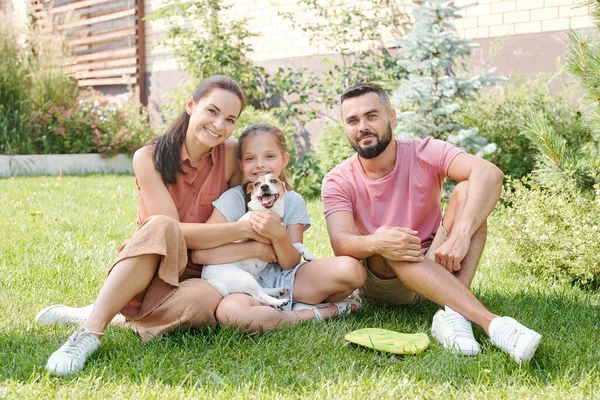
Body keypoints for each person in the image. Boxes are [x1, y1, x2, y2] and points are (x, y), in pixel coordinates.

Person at [36, 75, 263, 375]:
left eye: (230, 119)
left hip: (200, 272)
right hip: (150, 265)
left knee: (203, 303)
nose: (219, 125)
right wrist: (242, 230)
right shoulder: (148, 157)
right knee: (161, 226)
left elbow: (259, 193)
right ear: (191, 105)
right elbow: (172, 231)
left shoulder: (232, 156)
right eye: (212, 111)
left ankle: (110, 312)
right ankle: (89, 332)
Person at [321, 82, 542, 364]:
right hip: (386, 279)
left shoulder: (424, 151)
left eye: (371, 116)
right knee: (395, 241)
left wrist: (461, 234)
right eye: (353, 120)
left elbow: (489, 174)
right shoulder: (338, 179)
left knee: (467, 194)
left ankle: (452, 317)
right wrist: (378, 241)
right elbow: (340, 241)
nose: (362, 126)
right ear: (345, 127)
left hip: (435, 259)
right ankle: (493, 325)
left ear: (391, 117)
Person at [192, 123, 365, 332]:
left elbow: (291, 262)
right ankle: (314, 312)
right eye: (250, 159)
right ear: (241, 164)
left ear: (284, 159)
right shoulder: (233, 199)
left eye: (269, 156)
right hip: (244, 283)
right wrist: (255, 249)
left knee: (352, 270)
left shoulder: (292, 201)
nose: (260, 165)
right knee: (232, 314)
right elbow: (201, 254)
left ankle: (282, 309)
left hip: (288, 277)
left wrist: (278, 236)